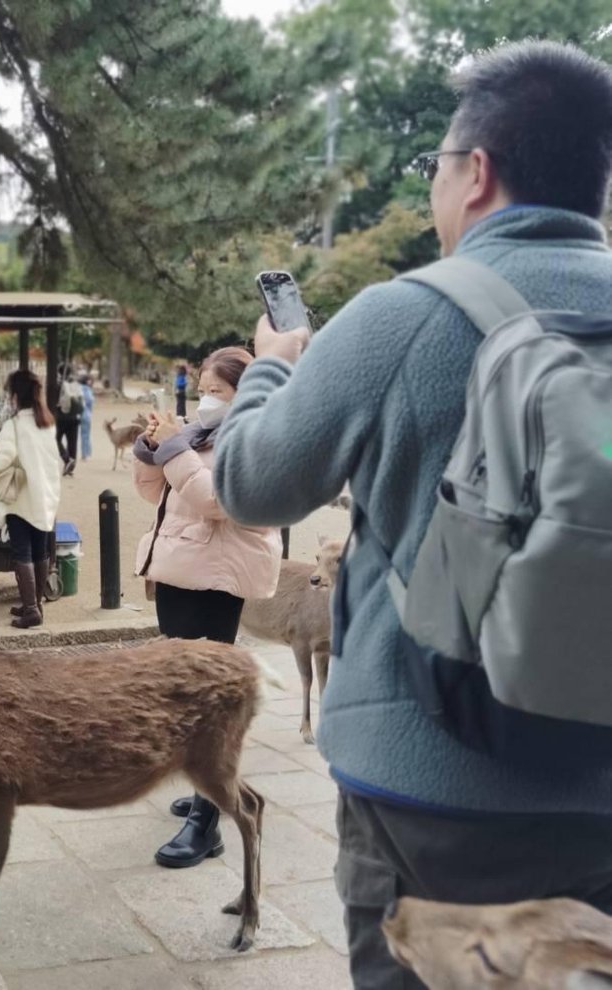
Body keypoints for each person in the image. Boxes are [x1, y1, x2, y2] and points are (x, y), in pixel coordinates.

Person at [211, 42, 612, 988]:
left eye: (436, 165)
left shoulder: (402, 318)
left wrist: (275, 362)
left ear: (477, 174)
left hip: (433, 780)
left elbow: (250, 485)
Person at [132, 346, 280, 869]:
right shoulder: (196, 434)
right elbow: (160, 496)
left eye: (216, 391)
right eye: (203, 389)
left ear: (245, 393)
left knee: (208, 697)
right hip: (178, 570)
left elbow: (217, 501)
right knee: (180, 689)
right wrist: (150, 451)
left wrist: (174, 451)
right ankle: (202, 788)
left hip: (218, 580)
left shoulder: (256, 438)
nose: (206, 400)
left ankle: (207, 820)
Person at [0, 370, 63, 628]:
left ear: (16, 396)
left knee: (22, 551)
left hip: (21, 498)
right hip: (45, 496)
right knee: (40, 550)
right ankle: (36, 604)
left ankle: (31, 610)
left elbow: (4, 458)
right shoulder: (47, 422)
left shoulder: (14, 426)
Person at [54, 364, 84, 475]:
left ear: (59, 372)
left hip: (61, 416)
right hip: (75, 417)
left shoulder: (58, 384)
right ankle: (71, 465)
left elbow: (54, 401)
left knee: (55, 438)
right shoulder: (75, 384)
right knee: (73, 442)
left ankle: (66, 459)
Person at [79, 373, 96, 461]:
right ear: (87, 381)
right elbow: (90, 401)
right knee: (85, 435)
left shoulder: (77, 388)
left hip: (76, 414)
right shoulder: (87, 390)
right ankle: (86, 454)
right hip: (86, 414)